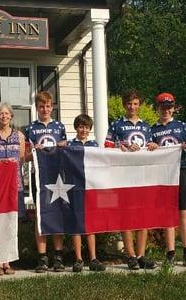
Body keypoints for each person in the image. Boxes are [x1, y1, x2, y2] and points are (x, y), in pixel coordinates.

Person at [104, 89, 158, 271]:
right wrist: (123, 146)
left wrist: (153, 145)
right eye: (129, 104)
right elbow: (107, 147)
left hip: (142, 175)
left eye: (135, 104)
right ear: (124, 105)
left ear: (139, 105)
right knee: (126, 216)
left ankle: (141, 255)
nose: (132, 107)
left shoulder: (146, 126)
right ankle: (131, 256)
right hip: (123, 175)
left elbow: (153, 147)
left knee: (143, 215)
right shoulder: (116, 124)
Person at [150, 92, 186, 267]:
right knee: (168, 214)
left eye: (169, 107)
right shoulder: (152, 129)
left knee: (183, 212)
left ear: (173, 109)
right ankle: (170, 253)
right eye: (163, 107)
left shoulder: (182, 126)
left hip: (182, 170)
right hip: (163, 174)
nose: (166, 111)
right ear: (157, 109)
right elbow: (148, 153)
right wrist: (153, 148)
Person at [25, 91, 67, 273]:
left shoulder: (59, 127)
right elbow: (25, 156)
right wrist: (34, 150)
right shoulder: (31, 129)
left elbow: (67, 149)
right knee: (40, 215)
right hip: (39, 177)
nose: (45, 109)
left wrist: (61, 146)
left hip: (57, 177)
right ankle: (42, 258)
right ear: (37, 107)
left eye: (48, 106)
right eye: (41, 106)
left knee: (57, 214)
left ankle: (58, 256)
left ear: (52, 107)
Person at [0, 103, 26, 275]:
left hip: (15, 185)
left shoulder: (19, 136)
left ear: (11, 116)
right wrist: (0, 163)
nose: (3, 116)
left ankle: (8, 261)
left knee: (12, 225)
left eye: (6, 113)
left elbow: (22, 159)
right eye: (0, 114)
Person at [67, 114, 106, 273]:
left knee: (91, 223)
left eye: (86, 128)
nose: (83, 130)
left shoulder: (94, 145)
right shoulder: (70, 144)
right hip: (74, 187)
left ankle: (93, 258)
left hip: (90, 187)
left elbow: (101, 163)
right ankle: (78, 259)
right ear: (76, 127)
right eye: (81, 127)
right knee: (76, 223)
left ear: (90, 129)